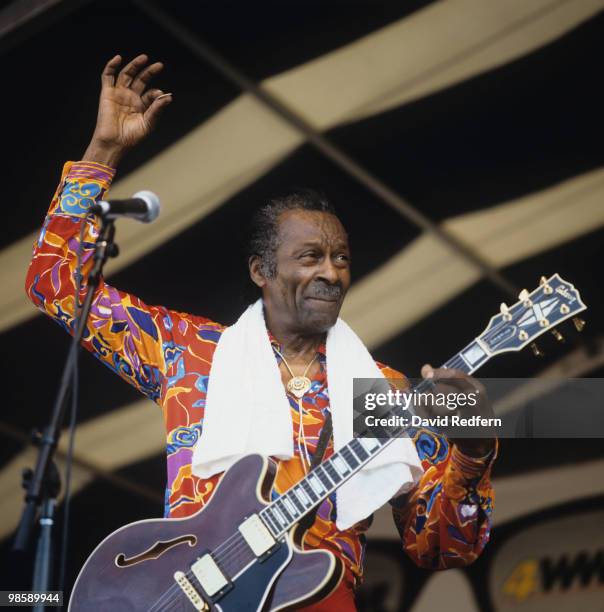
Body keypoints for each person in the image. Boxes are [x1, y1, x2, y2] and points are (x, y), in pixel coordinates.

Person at [25, 55, 496, 610]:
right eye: (311, 257)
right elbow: (55, 285)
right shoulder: (191, 354)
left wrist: (474, 449)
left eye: (341, 258)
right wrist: (103, 152)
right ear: (261, 271)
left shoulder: (385, 393)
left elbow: (441, 549)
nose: (331, 271)